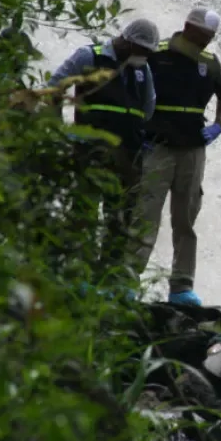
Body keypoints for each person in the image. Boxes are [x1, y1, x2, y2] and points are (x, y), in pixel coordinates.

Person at [132, 7, 221, 306]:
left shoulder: (209, 63)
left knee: (186, 218)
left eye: (210, 38)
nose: (205, 43)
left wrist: (218, 125)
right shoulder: (156, 53)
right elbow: (132, 86)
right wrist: (136, 129)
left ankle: (181, 286)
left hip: (192, 149)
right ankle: (126, 279)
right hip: (157, 145)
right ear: (188, 26)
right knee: (145, 214)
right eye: (202, 36)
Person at [46, 18, 159, 283]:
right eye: (144, 51)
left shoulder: (142, 70)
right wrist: (56, 127)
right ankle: (76, 274)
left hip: (129, 156)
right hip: (90, 150)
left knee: (120, 220)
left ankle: (108, 280)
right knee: (83, 212)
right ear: (129, 42)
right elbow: (55, 87)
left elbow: (149, 106)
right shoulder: (90, 56)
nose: (146, 57)